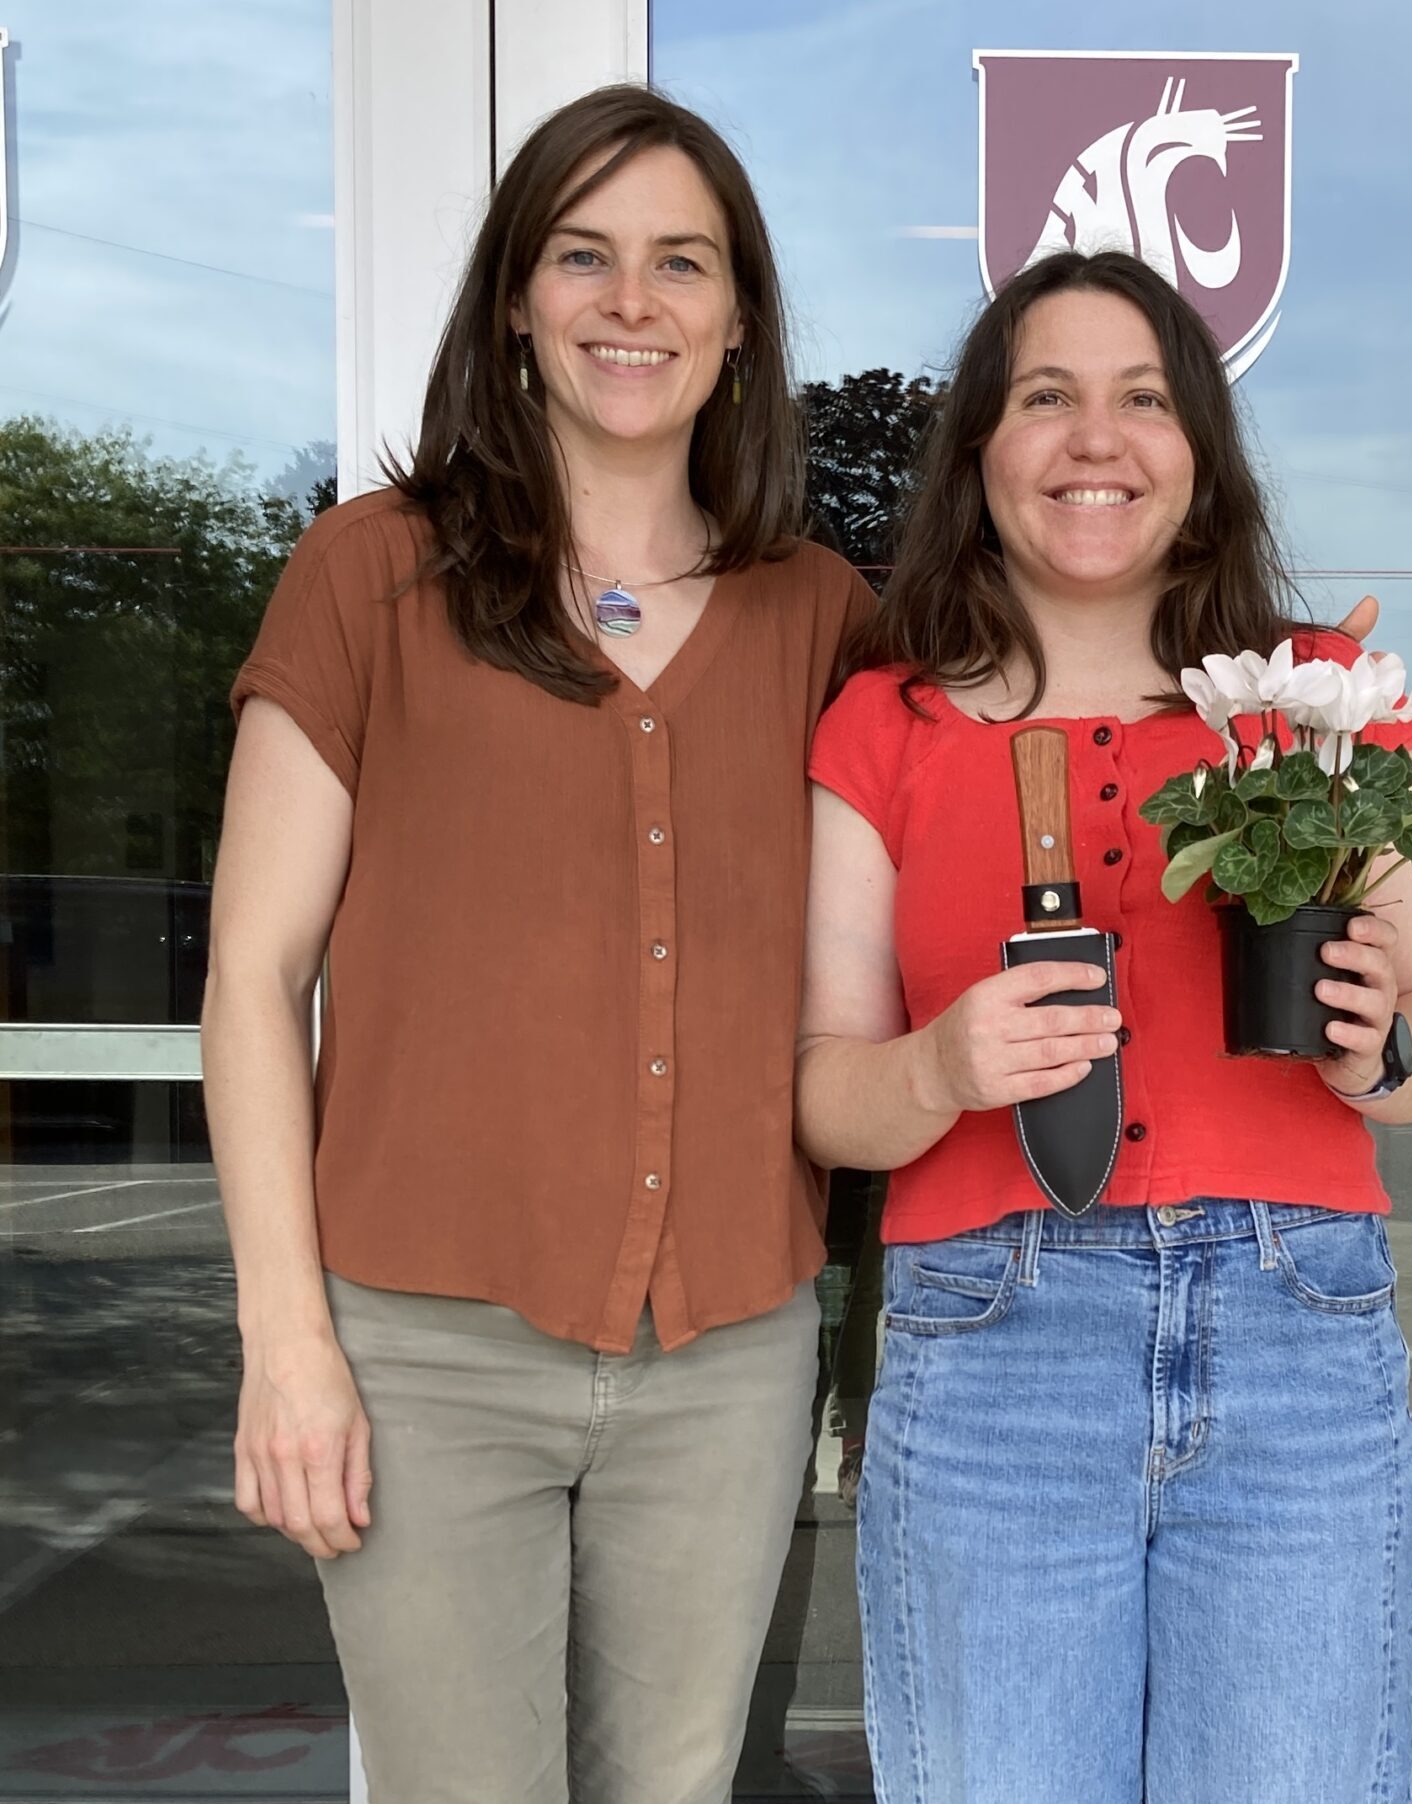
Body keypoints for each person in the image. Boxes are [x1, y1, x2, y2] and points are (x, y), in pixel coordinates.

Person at [201, 86, 873, 1804]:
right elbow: (254, 979)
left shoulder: (828, 616)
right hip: (420, 1352)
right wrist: (289, 1343)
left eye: (680, 263)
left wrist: (1287, 705)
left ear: (738, 317)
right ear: (516, 296)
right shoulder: (367, 578)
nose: (630, 301)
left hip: (727, 1356)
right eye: (584, 255)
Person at [795, 249, 1412, 1804]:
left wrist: (1379, 1044)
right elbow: (824, 1095)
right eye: (1046, 397)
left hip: (1294, 1339)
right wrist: (936, 1066)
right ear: (980, 450)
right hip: (992, 1357)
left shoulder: (1324, 703)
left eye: (1143, 399)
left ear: (1201, 456)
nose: (1095, 438)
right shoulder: (884, 722)